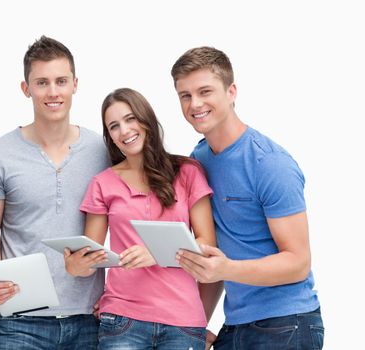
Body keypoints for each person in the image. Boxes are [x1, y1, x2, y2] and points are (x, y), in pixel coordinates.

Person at [171, 46, 324, 349]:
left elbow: (298, 262)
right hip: (237, 326)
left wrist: (226, 268)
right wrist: (194, 326)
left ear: (231, 91)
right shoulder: (199, 159)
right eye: (185, 95)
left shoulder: (269, 164)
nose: (195, 104)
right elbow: (212, 257)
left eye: (205, 91)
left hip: (288, 324)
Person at [64, 88, 222, 350]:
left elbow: (207, 244)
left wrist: (156, 253)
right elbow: (91, 255)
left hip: (182, 320)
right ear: (110, 137)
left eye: (130, 119)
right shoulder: (102, 183)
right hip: (122, 319)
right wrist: (74, 264)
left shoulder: (188, 173)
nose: (124, 131)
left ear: (146, 119)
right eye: (114, 126)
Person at [0, 36, 109, 349]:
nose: (53, 92)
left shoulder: (102, 150)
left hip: (89, 319)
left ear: (75, 84)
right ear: (26, 88)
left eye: (61, 81)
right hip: (20, 319)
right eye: (42, 82)